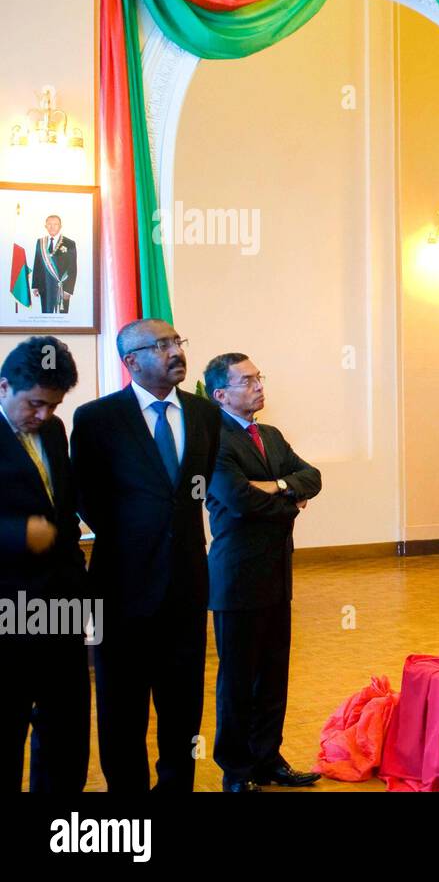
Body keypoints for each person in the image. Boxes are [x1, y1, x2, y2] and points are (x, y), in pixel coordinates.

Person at [71, 319, 222, 792]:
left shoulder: (203, 415)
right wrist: (133, 538)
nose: (176, 351)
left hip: (186, 583)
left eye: (178, 341)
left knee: (182, 704)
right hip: (121, 586)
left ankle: (177, 786)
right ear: (131, 361)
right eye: (162, 345)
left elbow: (193, 491)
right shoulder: (98, 419)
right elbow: (86, 495)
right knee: (121, 707)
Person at [203, 353, 322, 793]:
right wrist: (289, 500)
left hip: (277, 573)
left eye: (258, 377)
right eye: (247, 380)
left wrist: (279, 487)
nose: (258, 385)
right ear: (221, 394)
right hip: (236, 577)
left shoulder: (269, 435)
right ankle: (236, 772)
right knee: (238, 680)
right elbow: (237, 500)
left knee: (273, 675)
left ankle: (268, 759)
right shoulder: (212, 437)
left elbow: (313, 475)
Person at [0, 336, 89, 791]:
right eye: (35, 404)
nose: (44, 416)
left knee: (66, 725)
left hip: (62, 604)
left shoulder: (54, 431)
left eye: (53, 406)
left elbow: (63, 511)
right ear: (3, 388)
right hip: (8, 607)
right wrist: (18, 534)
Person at [30, 215, 77, 315]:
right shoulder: (40, 242)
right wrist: (35, 285)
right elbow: (37, 263)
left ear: (60, 226)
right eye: (49, 224)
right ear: (45, 226)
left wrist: (69, 290)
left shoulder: (69, 243)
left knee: (62, 319)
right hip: (45, 286)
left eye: (55, 224)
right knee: (46, 315)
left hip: (62, 287)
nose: (52, 227)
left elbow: (73, 268)